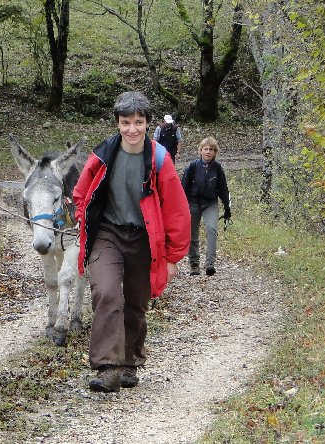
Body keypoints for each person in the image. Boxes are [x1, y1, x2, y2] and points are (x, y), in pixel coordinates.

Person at [73, 91, 190, 392]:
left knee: (136, 303)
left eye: (139, 122)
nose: (132, 129)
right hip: (108, 234)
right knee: (107, 293)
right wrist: (80, 216)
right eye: (126, 122)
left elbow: (177, 209)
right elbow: (81, 192)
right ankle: (107, 367)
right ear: (118, 123)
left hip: (144, 238)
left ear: (148, 123)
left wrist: (173, 257)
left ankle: (129, 361)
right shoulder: (102, 155)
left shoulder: (160, 160)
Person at [181, 136, 231, 276]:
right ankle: (194, 263)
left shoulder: (218, 168)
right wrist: (181, 207)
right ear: (200, 151)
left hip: (210, 203)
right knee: (192, 234)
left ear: (215, 152)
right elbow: (183, 187)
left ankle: (210, 263)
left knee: (212, 229)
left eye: (211, 149)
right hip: (193, 203)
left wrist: (227, 207)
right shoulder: (193, 166)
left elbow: (223, 189)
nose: (208, 152)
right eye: (205, 149)